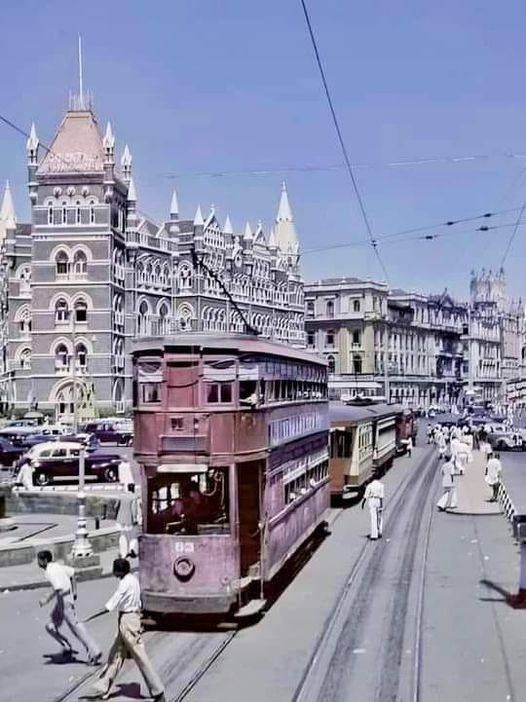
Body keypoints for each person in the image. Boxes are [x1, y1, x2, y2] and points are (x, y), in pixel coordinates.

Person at [82, 558, 165, 701]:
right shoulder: (133, 579)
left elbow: (110, 605)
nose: (114, 573)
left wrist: (88, 617)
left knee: (140, 656)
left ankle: (158, 692)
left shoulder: (124, 584)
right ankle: (101, 690)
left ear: (119, 571)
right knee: (115, 656)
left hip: (128, 621)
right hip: (130, 619)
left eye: (115, 570)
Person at [37, 550, 101, 665]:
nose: (38, 563)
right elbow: (72, 574)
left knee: (76, 628)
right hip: (64, 601)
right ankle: (66, 647)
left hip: (64, 602)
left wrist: (46, 599)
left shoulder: (50, 572)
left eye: (39, 560)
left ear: (45, 560)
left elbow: (59, 589)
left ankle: (94, 651)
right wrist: (74, 591)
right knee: (51, 626)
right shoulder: (57, 566)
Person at [117, 488, 142, 559]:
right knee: (133, 536)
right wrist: (135, 518)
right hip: (129, 519)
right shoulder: (133, 497)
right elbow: (134, 509)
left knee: (123, 535)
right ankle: (132, 549)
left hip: (120, 519)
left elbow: (116, 506)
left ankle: (123, 552)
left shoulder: (121, 496)